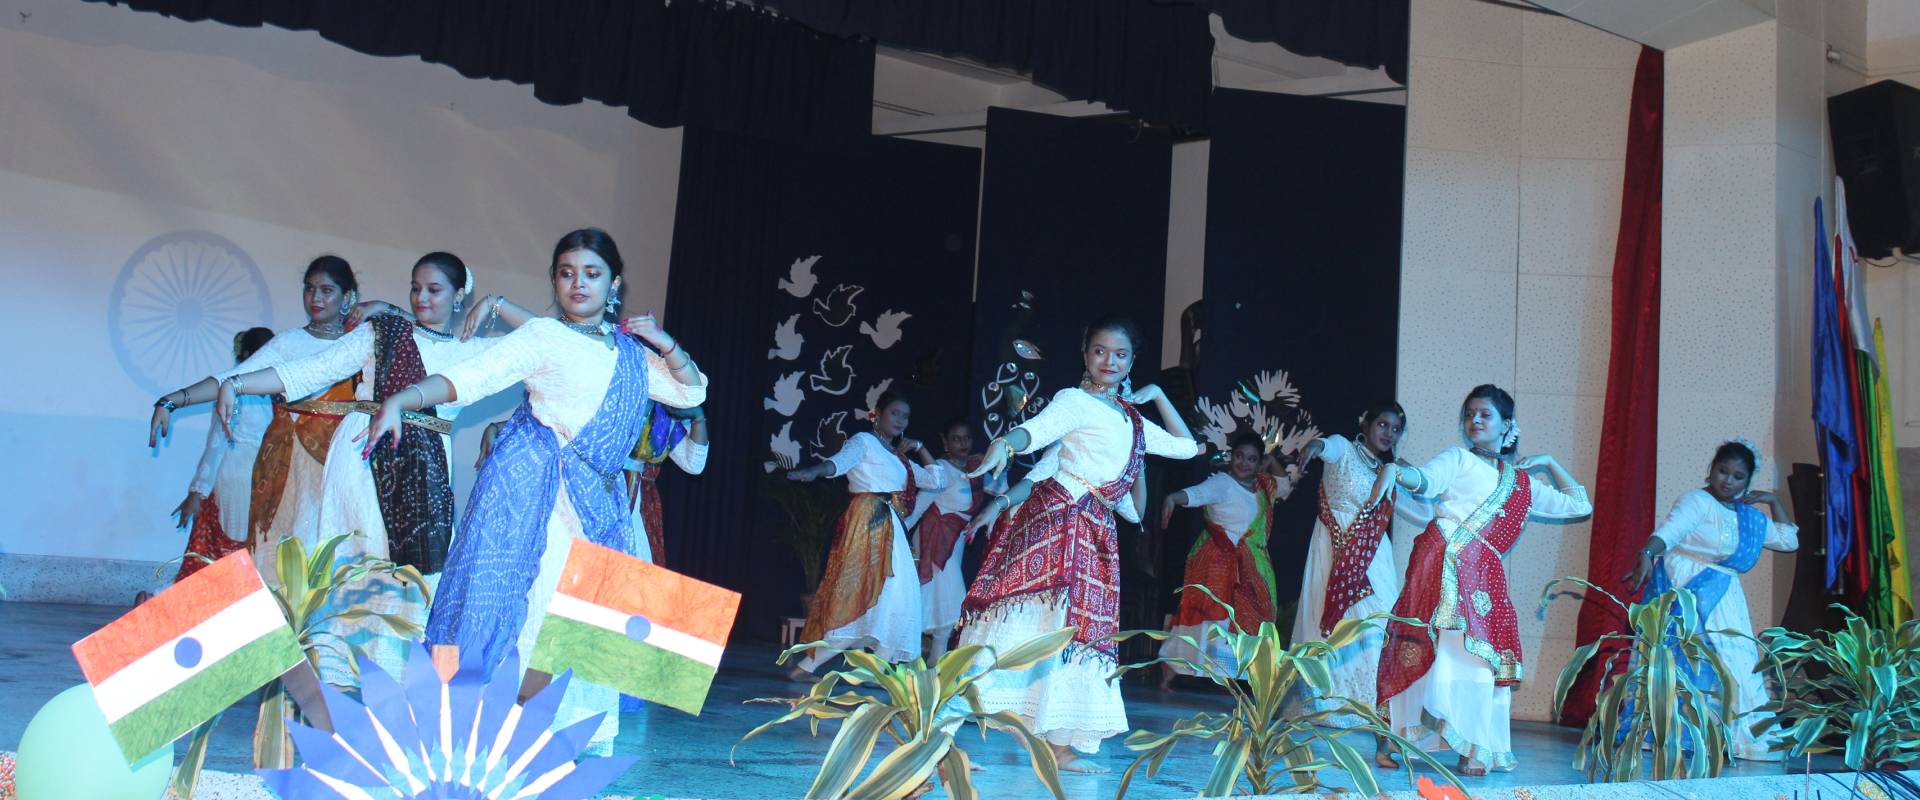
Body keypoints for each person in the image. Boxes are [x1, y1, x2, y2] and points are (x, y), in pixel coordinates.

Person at [398, 228, 706, 756]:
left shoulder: (633, 355)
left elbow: (691, 390)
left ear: (614, 284)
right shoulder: (542, 335)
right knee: (532, 613)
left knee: (583, 620)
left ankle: (548, 735)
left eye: (591, 273)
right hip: (532, 503)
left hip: (599, 510)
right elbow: (472, 376)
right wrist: (400, 400)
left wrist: (663, 340)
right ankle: (498, 731)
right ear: (554, 281)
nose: (577, 284)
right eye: (566, 273)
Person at [213, 252, 494, 690]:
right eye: (415, 288)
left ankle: (401, 678)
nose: (421, 297)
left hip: (427, 471)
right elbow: (310, 371)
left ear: (460, 296)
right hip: (363, 457)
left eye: (434, 290)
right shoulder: (381, 334)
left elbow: (555, 348)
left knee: (416, 578)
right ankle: (338, 674)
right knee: (355, 562)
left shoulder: (475, 353)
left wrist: (500, 305)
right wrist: (237, 382)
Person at [957, 316, 1199, 772]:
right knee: (1029, 624)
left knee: (1076, 638)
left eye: (1121, 354)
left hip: (1095, 534)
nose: (1110, 361)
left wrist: (1159, 396)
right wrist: (1005, 445)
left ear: (1133, 363)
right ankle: (946, 727)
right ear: (1086, 354)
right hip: (1059, 520)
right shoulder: (1075, 401)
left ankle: (1061, 742)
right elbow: (1039, 431)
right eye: (1101, 351)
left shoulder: (1133, 423)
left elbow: (1190, 448)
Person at [1376, 385, 1592, 775]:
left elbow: (1580, 505)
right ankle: (1402, 738)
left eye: (1485, 414)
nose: (1475, 420)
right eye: (1470, 414)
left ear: (1507, 425)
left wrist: (1548, 461)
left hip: (1483, 580)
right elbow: (1424, 480)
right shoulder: (1458, 458)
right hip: (1441, 568)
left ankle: (1472, 747)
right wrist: (1396, 470)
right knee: (1432, 651)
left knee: (1476, 662)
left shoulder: (1522, 485)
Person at [147, 255, 363, 585]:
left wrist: (382, 310)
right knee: (286, 553)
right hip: (290, 463)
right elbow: (232, 377)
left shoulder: (363, 343)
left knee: (336, 550)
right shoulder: (290, 343)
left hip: (342, 462)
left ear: (348, 297)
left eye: (327, 290)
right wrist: (171, 401)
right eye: (309, 289)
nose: (315, 298)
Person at [1625, 438, 1797, 761]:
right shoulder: (1697, 502)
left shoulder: (1749, 518)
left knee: (1738, 662)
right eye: (1722, 471)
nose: (1728, 481)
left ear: (1748, 481)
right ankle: (1671, 733)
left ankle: (1738, 738)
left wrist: (1773, 500)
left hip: (1726, 596)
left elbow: (1788, 540)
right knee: (1686, 661)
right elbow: (1670, 532)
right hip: (1687, 588)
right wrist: (1647, 553)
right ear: (1711, 469)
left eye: (1737, 476)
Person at [786, 392, 945, 678]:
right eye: (894, 413)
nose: (900, 420)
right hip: (868, 519)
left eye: (905, 416)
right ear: (878, 413)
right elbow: (838, 463)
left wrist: (920, 447)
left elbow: (936, 480)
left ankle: (871, 671)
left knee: (898, 599)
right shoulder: (864, 442)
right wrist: (814, 471)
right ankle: (811, 665)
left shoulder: (900, 459)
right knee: (859, 596)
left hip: (893, 527)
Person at [1288, 401, 1407, 762]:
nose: (1388, 433)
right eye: (1383, 424)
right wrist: (1313, 447)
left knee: (1381, 625)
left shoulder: (1390, 470)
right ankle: (1329, 702)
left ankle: (1378, 715)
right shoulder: (1342, 448)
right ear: (1366, 423)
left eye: (1396, 428)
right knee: (1333, 627)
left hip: (1375, 556)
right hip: (1333, 547)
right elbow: (1327, 446)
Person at [1155, 432, 1293, 691]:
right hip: (1217, 563)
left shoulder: (1263, 485)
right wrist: (1172, 498)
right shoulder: (1222, 482)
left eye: (1252, 459)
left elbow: (1284, 484)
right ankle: (1172, 671)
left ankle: (1238, 675)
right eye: (1239, 456)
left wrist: (1271, 459)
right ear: (1232, 457)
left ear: (1258, 462)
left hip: (1253, 567)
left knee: (1247, 619)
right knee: (1210, 619)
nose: (1244, 463)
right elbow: (1195, 494)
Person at [166, 327, 277, 584]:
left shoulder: (278, 392)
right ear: (249, 356)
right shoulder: (233, 393)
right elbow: (217, 442)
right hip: (238, 477)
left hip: (269, 476)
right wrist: (198, 491)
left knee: (262, 548)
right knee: (235, 544)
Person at [905, 417, 1005, 661]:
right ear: (945, 442)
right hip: (933, 540)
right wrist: (896, 535)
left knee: (938, 607)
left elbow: (1001, 489)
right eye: (956, 439)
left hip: (956, 542)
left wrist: (1000, 464)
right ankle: (906, 661)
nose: (963, 443)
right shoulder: (941, 468)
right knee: (948, 603)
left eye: (967, 438)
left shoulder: (974, 468)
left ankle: (933, 667)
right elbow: (918, 509)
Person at [627, 403, 709, 565]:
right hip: (593, 486)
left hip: (631, 497)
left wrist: (698, 417)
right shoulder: (617, 389)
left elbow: (694, 463)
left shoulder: (662, 414)